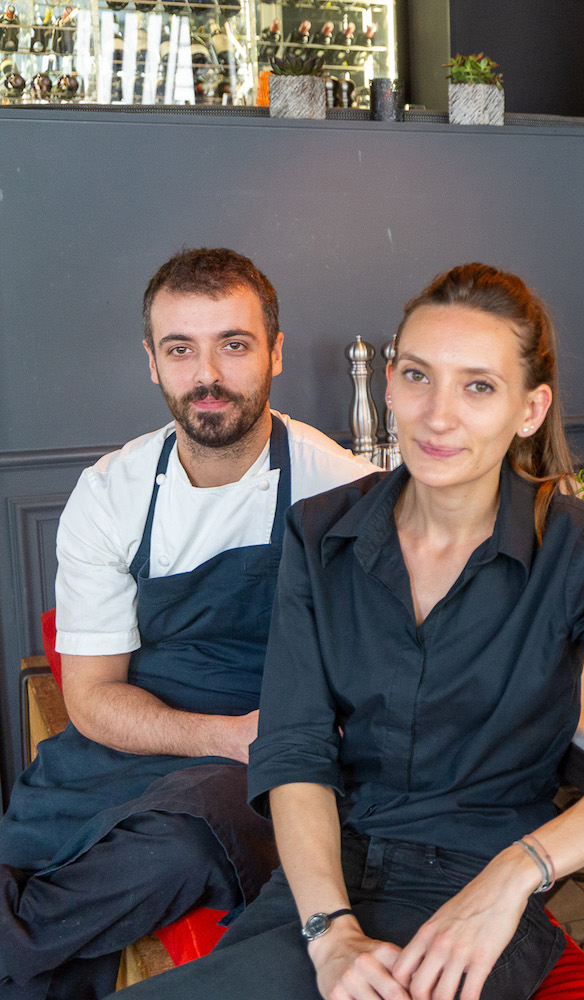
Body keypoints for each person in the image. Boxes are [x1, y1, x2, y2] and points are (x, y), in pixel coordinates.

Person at [119, 263, 584, 1000]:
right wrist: (331, 931)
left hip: (477, 897)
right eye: (418, 376)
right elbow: (296, 748)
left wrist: (514, 875)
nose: (438, 415)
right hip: (325, 879)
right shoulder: (320, 533)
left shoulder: (579, 546)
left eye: (478, 386)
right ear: (390, 383)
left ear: (530, 409)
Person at [0, 248, 378, 1000]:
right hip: (136, 744)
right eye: (181, 349)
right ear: (152, 362)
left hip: (268, 759)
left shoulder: (345, 492)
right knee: (37, 840)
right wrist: (220, 733)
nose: (207, 375)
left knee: (182, 844)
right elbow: (92, 697)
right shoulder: (112, 493)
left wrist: (266, 741)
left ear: (273, 352)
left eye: (233, 345)